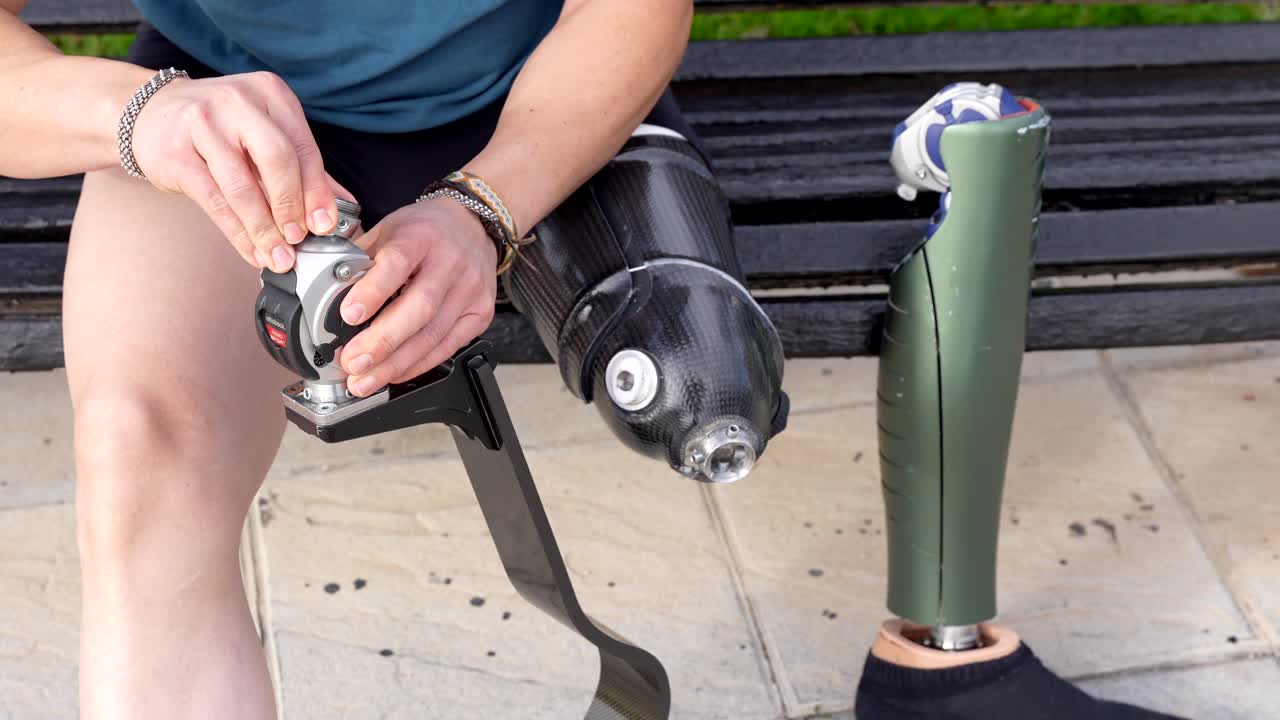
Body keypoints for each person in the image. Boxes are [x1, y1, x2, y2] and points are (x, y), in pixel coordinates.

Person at [0, 2, 1181, 718]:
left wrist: (482, 211)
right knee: (135, 459)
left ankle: (937, 654)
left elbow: (629, 9)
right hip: (213, 98)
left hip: (539, 85)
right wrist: (138, 116)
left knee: (704, 386)